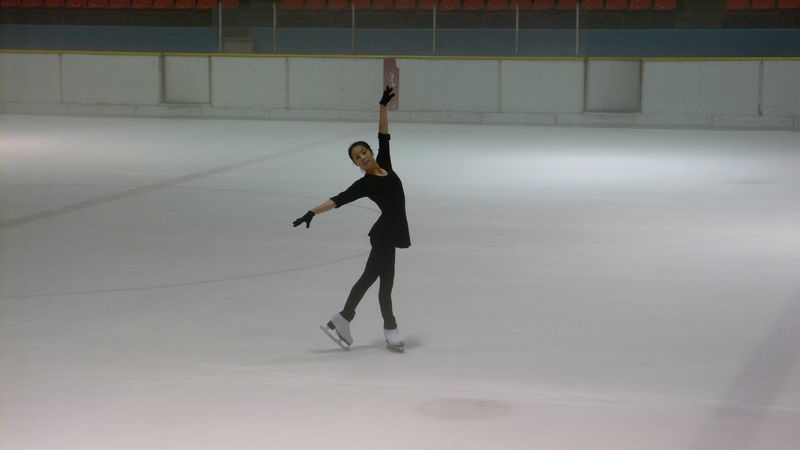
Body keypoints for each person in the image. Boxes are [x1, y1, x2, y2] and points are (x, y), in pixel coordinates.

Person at [293, 86, 410, 352]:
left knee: (369, 277)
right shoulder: (365, 184)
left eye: (364, 152)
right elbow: (339, 199)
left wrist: (382, 107)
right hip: (383, 235)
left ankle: (343, 318)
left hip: (389, 231)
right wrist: (312, 212)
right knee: (386, 283)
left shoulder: (386, 165)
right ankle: (390, 328)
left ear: (370, 151)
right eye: (357, 158)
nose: (363, 158)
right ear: (356, 164)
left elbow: (384, 136)